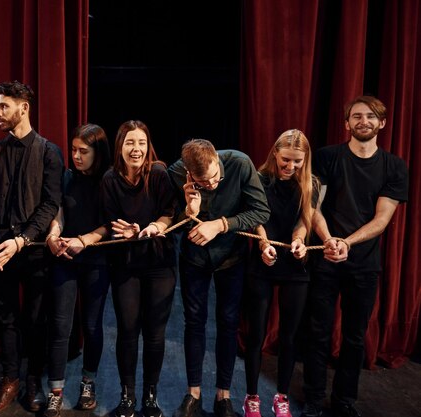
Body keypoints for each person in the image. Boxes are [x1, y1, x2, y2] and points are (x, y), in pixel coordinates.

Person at [301, 96, 408, 417]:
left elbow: (382, 218)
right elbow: (312, 206)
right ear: (346, 124)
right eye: (357, 116)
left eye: (371, 116)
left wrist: (346, 242)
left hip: (364, 265)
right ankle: (313, 399)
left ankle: (344, 401)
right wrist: (329, 240)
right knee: (317, 332)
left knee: (354, 336)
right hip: (324, 258)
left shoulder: (394, 166)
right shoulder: (327, 158)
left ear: (382, 123)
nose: (364, 121)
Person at [0, 80, 64, 414]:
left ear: (23, 107)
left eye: (3, 106)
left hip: (36, 251)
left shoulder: (49, 152)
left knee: (36, 319)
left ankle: (33, 381)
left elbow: (50, 204)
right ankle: (10, 379)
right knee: (7, 317)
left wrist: (21, 239)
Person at [167, 139, 270, 417]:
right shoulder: (176, 172)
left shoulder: (239, 163)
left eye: (215, 177)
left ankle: (223, 396)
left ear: (217, 161)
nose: (211, 184)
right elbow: (171, 221)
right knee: (194, 322)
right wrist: (191, 211)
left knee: (228, 323)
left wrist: (221, 224)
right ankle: (194, 394)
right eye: (203, 181)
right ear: (189, 174)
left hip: (231, 258)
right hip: (194, 258)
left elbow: (261, 211)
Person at [101, 120, 177, 417]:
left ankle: (150, 396)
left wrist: (154, 226)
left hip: (159, 262)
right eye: (130, 143)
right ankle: (127, 395)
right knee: (127, 330)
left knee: (155, 334)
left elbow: (170, 212)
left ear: (149, 146)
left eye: (142, 143)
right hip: (126, 263)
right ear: (120, 146)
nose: (136, 149)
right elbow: (110, 221)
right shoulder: (110, 179)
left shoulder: (158, 173)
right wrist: (128, 231)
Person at [242, 130, 318, 417]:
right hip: (263, 261)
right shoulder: (258, 180)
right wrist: (262, 244)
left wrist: (299, 241)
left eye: (298, 162)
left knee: (289, 335)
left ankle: (281, 396)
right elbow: (256, 217)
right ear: (275, 153)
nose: (291, 167)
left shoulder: (311, 184)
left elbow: (303, 221)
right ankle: (251, 397)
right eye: (286, 160)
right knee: (257, 333)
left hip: (294, 266)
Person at [42, 123, 112, 417]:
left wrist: (85, 241)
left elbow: (111, 224)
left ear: (98, 152)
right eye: (74, 150)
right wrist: (52, 237)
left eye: (84, 151)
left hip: (96, 259)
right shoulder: (67, 177)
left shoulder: (109, 180)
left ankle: (88, 382)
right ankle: (56, 390)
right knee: (60, 326)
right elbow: (57, 213)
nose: (76, 156)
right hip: (65, 258)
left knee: (93, 325)